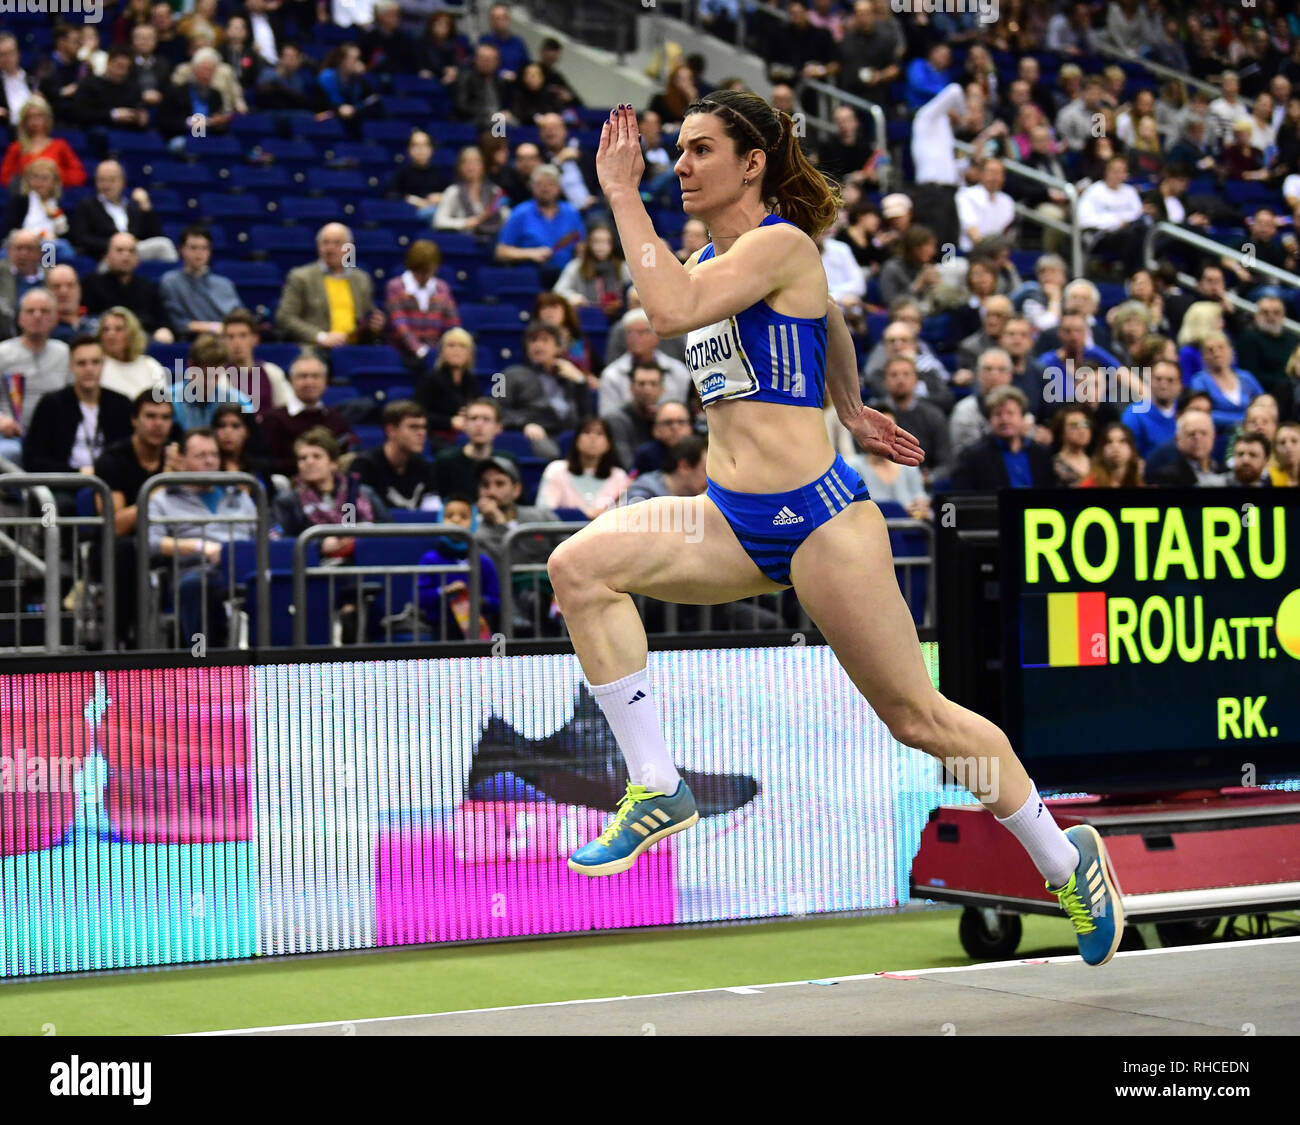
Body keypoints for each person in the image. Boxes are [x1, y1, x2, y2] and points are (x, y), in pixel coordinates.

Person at [544, 97, 1125, 967]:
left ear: (752, 164)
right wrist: (849, 399)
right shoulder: (715, 255)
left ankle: (1063, 856)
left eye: (701, 149)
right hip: (729, 521)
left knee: (919, 718)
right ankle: (657, 784)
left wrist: (621, 195)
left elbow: (667, 312)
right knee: (577, 567)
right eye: (675, 152)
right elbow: (832, 322)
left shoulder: (781, 245)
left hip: (821, 523)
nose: (680, 165)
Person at [146, 428, 258, 648]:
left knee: (274, 581)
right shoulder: (164, 498)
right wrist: (200, 547)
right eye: (200, 456)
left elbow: (262, 536)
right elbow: (152, 543)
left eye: (214, 455)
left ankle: (276, 658)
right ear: (182, 459)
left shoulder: (239, 494)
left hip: (244, 570)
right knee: (195, 586)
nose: (209, 462)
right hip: (198, 570)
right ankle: (204, 661)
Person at [272, 427, 390, 559]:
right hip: (313, 571)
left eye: (317, 456)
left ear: (333, 463)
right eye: (302, 458)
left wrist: (358, 539)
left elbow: (388, 530)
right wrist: (319, 545)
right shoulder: (288, 501)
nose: (309, 462)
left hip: (364, 564)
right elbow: (281, 542)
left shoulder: (362, 493)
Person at [22, 334, 132, 476]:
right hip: (64, 484)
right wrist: (78, 473)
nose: (89, 369)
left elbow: (129, 456)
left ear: (103, 364)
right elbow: (34, 461)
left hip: (111, 483)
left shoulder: (121, 404)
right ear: (71, 366)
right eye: (82, 363)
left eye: (95, 362)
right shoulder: (51, 405)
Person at [276, 223, 385, 349]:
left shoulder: (361, 279)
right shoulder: (301, 277)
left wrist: (374, 324)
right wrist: (321, 336)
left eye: (337, 243)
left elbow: (367, 316)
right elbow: (285, 318)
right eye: (325, 242)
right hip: (315, 347)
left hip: (356, 346)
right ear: (318, 246)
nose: (330, 248)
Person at [497, 323, 592, 460]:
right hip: (536, 434)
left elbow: (586, 414)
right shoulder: (506, 374)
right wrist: (523, 425)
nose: (538, 345)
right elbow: (496, 409)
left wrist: (581, 381)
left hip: (569, 434)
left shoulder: (569, 374)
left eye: (545, 340)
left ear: (558, 347)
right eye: (533, 340)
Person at [416, 493, 501, 640]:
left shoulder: (483, 562)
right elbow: (420, 599)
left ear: (474, 522)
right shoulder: (430, 559)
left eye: (463, 517)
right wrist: (445, 592)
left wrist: (478, 600)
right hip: (440, 632)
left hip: (478, 633)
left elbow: (497, 602)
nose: (456, 520)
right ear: (440, 520)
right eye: (449, 516)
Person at [0, 289, 71, 460]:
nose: (38, 316)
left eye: (45, 311)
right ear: (20, 318)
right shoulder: (2, 353)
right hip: (11, 435)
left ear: (55, 319)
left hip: (54, 435)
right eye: (30, 311)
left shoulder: (64, 353)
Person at [261, 353, 354, 478]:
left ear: (325, 381)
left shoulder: (336, 417)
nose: (309, 382)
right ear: (291, 381)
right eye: (303, 376)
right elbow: (269, 463)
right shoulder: (273, 419)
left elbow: (346, 454)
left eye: (315, 376)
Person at [951, 386, 1056, 490]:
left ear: (1022, 417)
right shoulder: (972, 457)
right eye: (998, 414)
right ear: (989, 420)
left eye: (1010, 413)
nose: (1004, 419)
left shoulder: (1041, 453)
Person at [68, 159, 172, 263]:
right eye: (102, 180)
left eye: (112, 180)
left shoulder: (132, 207)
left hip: (134, 251)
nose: (106, 185)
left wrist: (146, 208)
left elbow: (154, 235)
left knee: (164, 245)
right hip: (105, 255)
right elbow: (81, 238)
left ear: (123, 181)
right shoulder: (87, 206)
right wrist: (114, 244)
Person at [349, 400, 440, 512]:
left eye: (424, 427)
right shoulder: (365, 465)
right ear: (391, 431)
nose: (422, 433)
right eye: (413, 427)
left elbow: (433, 511)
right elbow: (350, 515)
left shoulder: (423, 467)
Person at [845, 402, 930, 520]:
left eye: (890, 428)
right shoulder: (853, 466)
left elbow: (920, 496)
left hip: (908, 529)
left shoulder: (909, 466)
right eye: (878, 428)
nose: (885, 434)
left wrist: (921, 504)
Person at [80, 232, 172, 340]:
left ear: (138, 259)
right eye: (120, 250)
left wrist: (163, 330)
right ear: (106, 256)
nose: (126, 255)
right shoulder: (91, 283)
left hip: (142, 340)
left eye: (131, 251)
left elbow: (162, 320)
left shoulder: (147, 286)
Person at [494, 164, 586, 272]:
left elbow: (581, 246)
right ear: (532, 187)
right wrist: (530, 253)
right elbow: (501, 252)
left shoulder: (571, 212)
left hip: (565, 276)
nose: (545, 189)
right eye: (540, 184)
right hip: (531, 277)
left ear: (559, 188)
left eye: (550, 184)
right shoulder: (520, 213)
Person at [598, 309, 692, 413]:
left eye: (642, 332)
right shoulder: (611, 375)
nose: (635, 338)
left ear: (656, 337)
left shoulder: (679, 371)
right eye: (630, 333)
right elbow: (608, 418)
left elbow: (684, 412)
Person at [384, 240, 460, 365]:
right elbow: (400, 326)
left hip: (436, 353)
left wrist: (442, 351)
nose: (423, 275)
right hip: (404, 353)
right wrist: (419, 350)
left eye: (427, 271)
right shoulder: (395, 287)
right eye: (419, 271)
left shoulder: (442, 288)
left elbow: (453, 324)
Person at [159, 226, 244, 339]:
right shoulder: (171, 282)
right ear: (181, 250)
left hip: (228, 340)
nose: (199, 253)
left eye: (204, 248)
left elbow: (239, 317)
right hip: (194, 342)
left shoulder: (224, 284)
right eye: (193, 248)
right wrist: (213, 327)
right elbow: (178, 324)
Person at [537, 415, 628, 519]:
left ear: (608, 443)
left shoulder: (618, 476)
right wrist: (583, 515)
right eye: (586, 432)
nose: (592, 438)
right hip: (563, 534)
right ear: (576, 440)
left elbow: (623, 518)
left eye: (600, 434)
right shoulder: (556, 470)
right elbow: (544, 512)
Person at [432, 397, 517, 499]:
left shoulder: (507, 461)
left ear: (498, 427)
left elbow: (520, 504)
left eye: (486, 419)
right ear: (464, 424)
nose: (479, 425)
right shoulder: (445, 461)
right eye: (473, 418)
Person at [0, 94, 86, 190]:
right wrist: (30, 182)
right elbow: (5, 178)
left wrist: (52, 178)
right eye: (29, 117)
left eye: (39, 116)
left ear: (47, 119)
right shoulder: (16, 148)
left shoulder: (60, 145)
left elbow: (79, 175)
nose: (34, 121)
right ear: (24, 121)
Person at [221, 308, 292, 418]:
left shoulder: (272, 372)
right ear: (223, 341)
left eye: (243, 335)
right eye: (230, 337)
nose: (236, 342)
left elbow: (287, 408)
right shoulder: (219, 376)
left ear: (255, 339)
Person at [1189, 334, 1265, 434]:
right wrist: (1246, 420)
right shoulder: (1199, 381)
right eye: (1210, 350)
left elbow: (1265, 404)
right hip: (1218, 436)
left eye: (1221, 348)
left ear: (1231, 351)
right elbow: (1203, 414)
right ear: (1203, 357)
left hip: (1253, 433)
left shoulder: (1245, 377)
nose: (1216, 354)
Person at [414, 327, 477, 443]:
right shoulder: (430, 379)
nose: (456, 350)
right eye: (451, 346)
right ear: (442, 351)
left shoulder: (472, 381)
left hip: (467, 436)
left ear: (469, 353)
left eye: (462, 346)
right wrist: (450, 422)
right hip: (436, 437)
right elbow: (418, 414)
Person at [553, 224, 632, 316]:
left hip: (618, 314)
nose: (600, 246)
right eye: (596, 241)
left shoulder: (622, 266)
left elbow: (634, 289)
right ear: (588, 243)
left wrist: (626, 298)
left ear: (612, 244)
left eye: (605, 242)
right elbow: (558, 290)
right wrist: (573, 296)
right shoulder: (576, 266)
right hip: (587, 313)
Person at [433, 145, 509, 241]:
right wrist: (465, 223)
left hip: (494, 239)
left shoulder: (495, 191)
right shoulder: (453, 191)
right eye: (466, 162)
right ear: (460, 167)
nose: (470, 166)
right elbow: (438, 221)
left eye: (475, 162)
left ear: (482, 166)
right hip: (463, 241)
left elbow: (507, 219)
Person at [96, 306, 167, 401]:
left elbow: (161, 403)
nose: (111, 334)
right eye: (106, 329)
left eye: (118, 329)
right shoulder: (96, 366)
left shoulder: (151, 366)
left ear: (132, 334)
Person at [1121, 358, 1182, 459]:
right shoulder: (1134, 414)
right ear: (1149, 381)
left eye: (1170, 380)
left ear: (1180, 385)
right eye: (1158, 379)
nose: (1163, 385)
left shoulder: (1185, 412)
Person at [1150, 409, 1223, 487]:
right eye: (1191, 434)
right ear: (1177, 439)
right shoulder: (1167, 476)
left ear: (1214, 436)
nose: (1198, 438)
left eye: (1203, 433)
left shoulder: (1225, 471)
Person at [388, 130, 446, 221]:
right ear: (409, 150)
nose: (420, 149)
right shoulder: (402, 173)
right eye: (416, 145)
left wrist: (442, 197)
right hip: (410, 217)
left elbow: (452, 194)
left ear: (431, 149)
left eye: (424, 145)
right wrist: (413, 200)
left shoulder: (440, 173)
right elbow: (390, 194)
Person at [46, 265, 99, 343]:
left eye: (70, 285)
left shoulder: (97, 323)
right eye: (56, 286)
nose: (64, 291)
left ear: (79, 290)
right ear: (47, 291)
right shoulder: (43, 331)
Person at [1079, 421, 1142, 488]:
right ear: (1101, 450)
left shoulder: (1138, 480)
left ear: (1132, 449)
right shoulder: (1089, 484)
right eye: (1109, 442)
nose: (1115, 446)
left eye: (1122, 441)